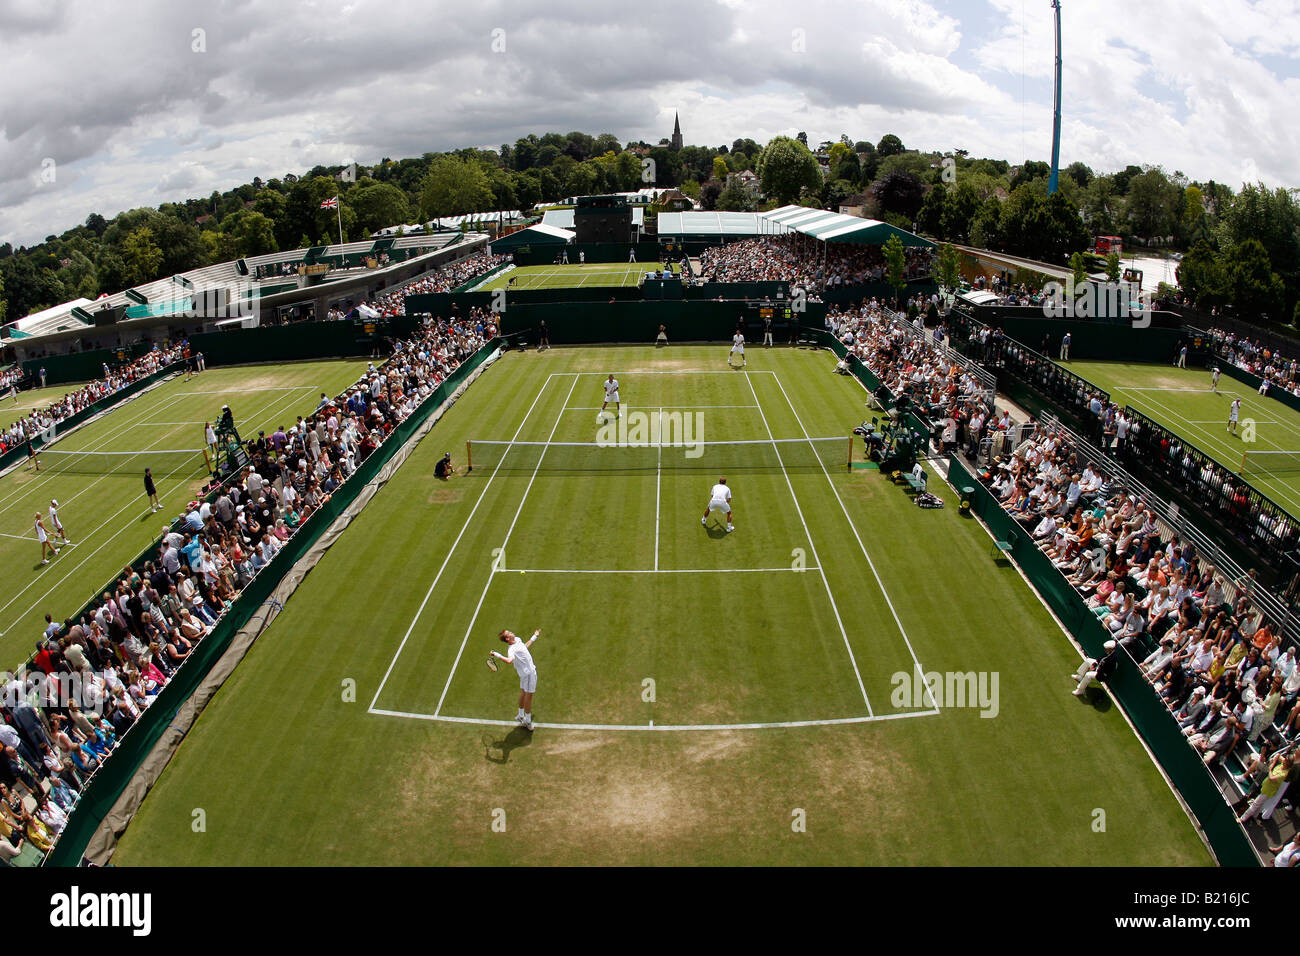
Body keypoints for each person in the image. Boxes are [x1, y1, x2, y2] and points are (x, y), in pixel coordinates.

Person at [491, 629, 540, 731]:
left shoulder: (517, 639)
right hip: (528, 674)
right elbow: (509, 660)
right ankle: (528, 721)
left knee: (523, 692)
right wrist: (497, 654)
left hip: (524, 673)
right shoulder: (511, 649)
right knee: (528, 696)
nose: (512, 632)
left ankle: (520, 715)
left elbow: (524, 648)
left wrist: (534, 637)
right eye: (509, 633)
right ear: (508, 638)